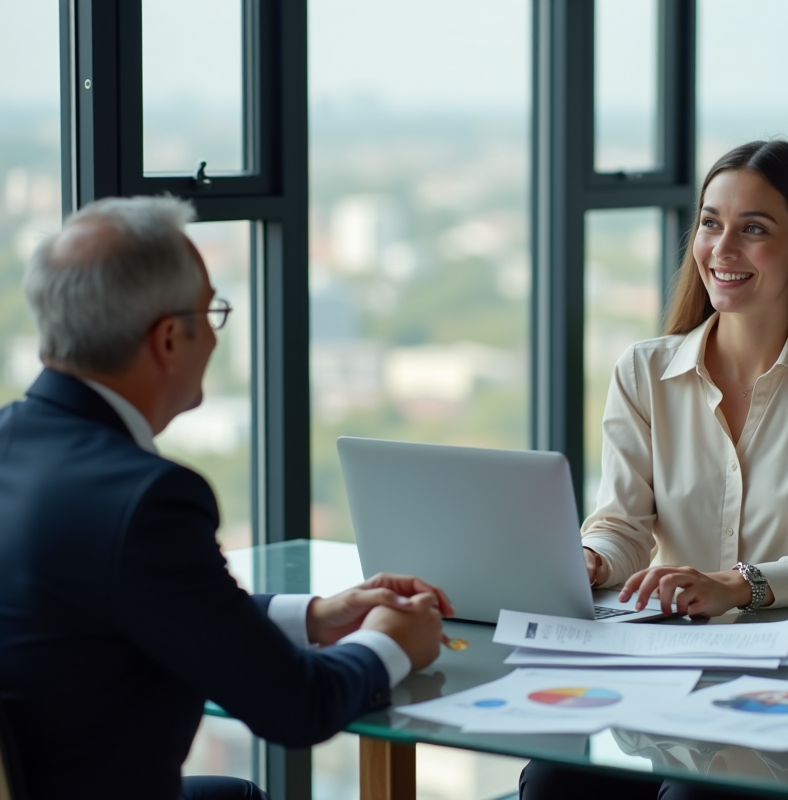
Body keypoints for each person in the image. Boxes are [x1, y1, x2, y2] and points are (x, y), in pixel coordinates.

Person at [0, 196, 452, 800]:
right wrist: (391, 644)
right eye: (211, 313)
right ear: (168, 340)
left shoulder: (13, 441)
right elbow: (297, 707)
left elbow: (139, 603)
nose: (214, 338)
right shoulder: (145, 501)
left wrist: (314, 617)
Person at [523, 140, 788, 798]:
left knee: (696, 795)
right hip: (675, 682)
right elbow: (621, 523)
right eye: (710, 223)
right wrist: (591, 559)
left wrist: (736, 586)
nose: (721, 250)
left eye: (754, 229)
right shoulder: (644, 372)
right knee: (554, 779)